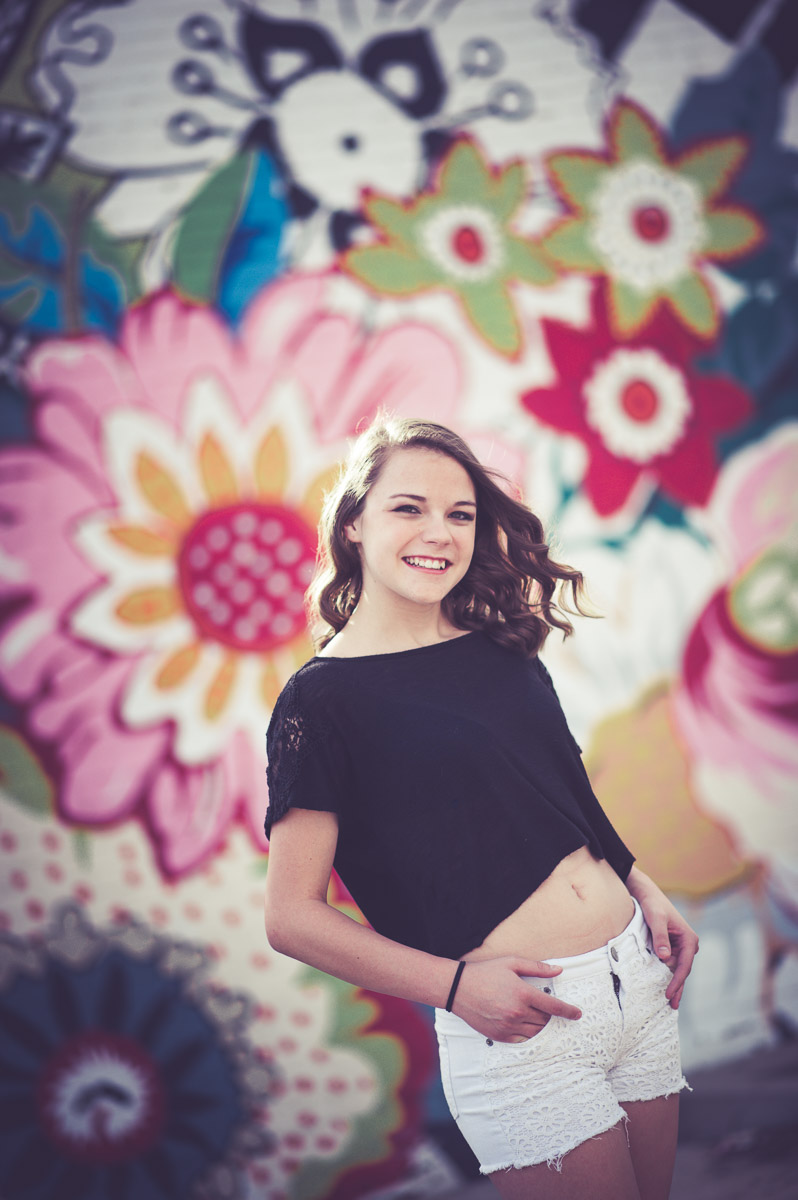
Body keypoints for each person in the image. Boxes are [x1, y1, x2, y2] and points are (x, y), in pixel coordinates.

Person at [263, 417, 698, 1200]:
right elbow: (291, 915)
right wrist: (457, 990)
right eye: (409, 508)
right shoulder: (321, 701)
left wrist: (642, 884)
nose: (439, 532)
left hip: (636, 981)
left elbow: (565, 795)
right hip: (522, 1028)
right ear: (355, 523)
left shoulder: (499, 645)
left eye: (459, 514)